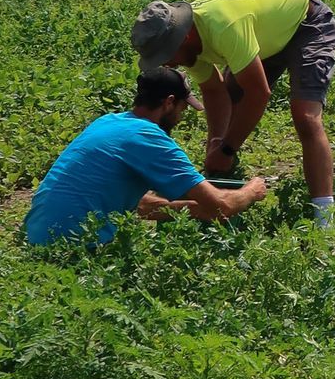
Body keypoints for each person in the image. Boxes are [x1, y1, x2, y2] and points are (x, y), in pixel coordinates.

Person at [130, 0, 335, 222]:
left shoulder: (223, 27)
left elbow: (259, 94)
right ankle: (223, 184)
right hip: (265, 34)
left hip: (306, 22)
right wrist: (217, 143)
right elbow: (214, 91)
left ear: (184, 38)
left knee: (305, 115)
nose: (166, 64)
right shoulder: (189, 45)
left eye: (166, 56)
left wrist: (227, 148)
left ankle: (325, 220)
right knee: (234, 97)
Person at [24, 68, 268, 246]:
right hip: (78, 247)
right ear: (169, 102)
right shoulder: (149, 137)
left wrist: (195, 210)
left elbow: (139, 205)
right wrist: (250, 192)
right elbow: (222, 206)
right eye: (183, 108)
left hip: (36, 237)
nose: (181, 117)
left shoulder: (107, 122)